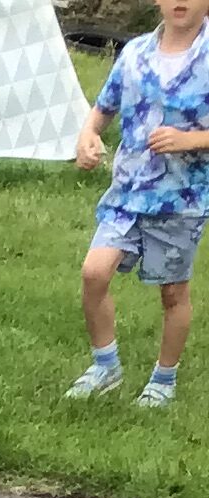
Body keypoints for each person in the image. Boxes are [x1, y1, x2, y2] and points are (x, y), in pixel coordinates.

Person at [70, 0, 209, 408]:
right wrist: (88, 136)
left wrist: (190, 140)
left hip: (180, 199)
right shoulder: (134, 54)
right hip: (127, 193)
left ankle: (163, 380)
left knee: (173, 292)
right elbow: (103, 108)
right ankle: (105, 366)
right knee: (94, 273)